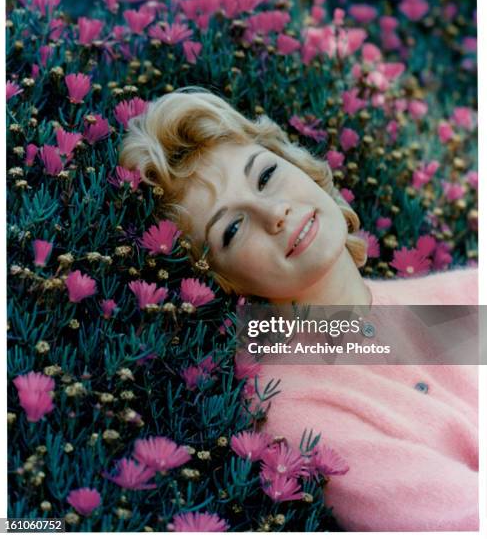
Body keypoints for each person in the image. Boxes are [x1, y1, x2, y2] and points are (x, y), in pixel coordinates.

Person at [118, 87, 478, 531]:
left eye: (265, 176)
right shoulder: (292, 405)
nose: (274, 214)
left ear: (298, 165)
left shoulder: (463, 293)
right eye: (232, 228)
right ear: (218, 280)